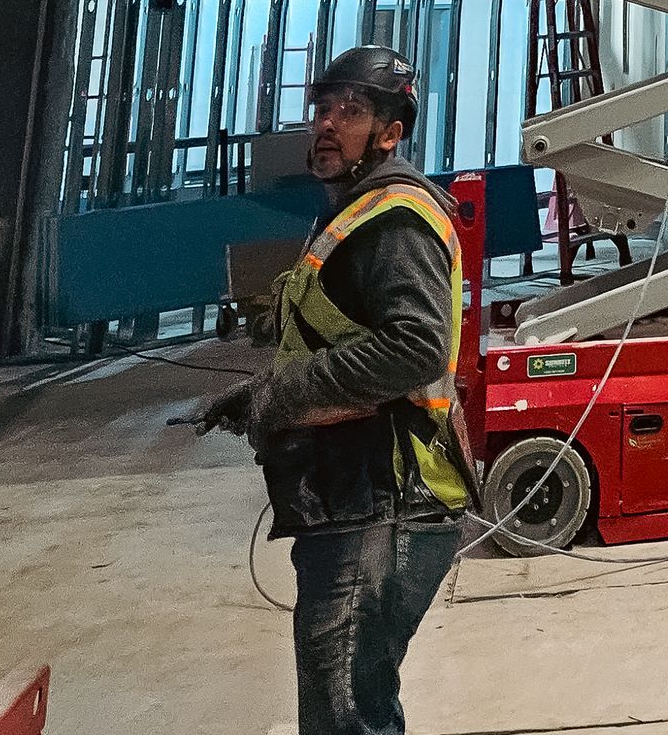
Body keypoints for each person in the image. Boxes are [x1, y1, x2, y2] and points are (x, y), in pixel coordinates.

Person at [199, 46, 475, 735]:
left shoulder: (396, 218)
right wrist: (261, 391)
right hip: (352, 497)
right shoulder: (352, 212)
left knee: (344, 717)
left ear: (390, 131)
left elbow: (413, 347)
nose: (327, 124)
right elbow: (341, 335)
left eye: (350, 112)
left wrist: (282, 395)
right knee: (348, 710)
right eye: (322, 109)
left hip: (383, 502)